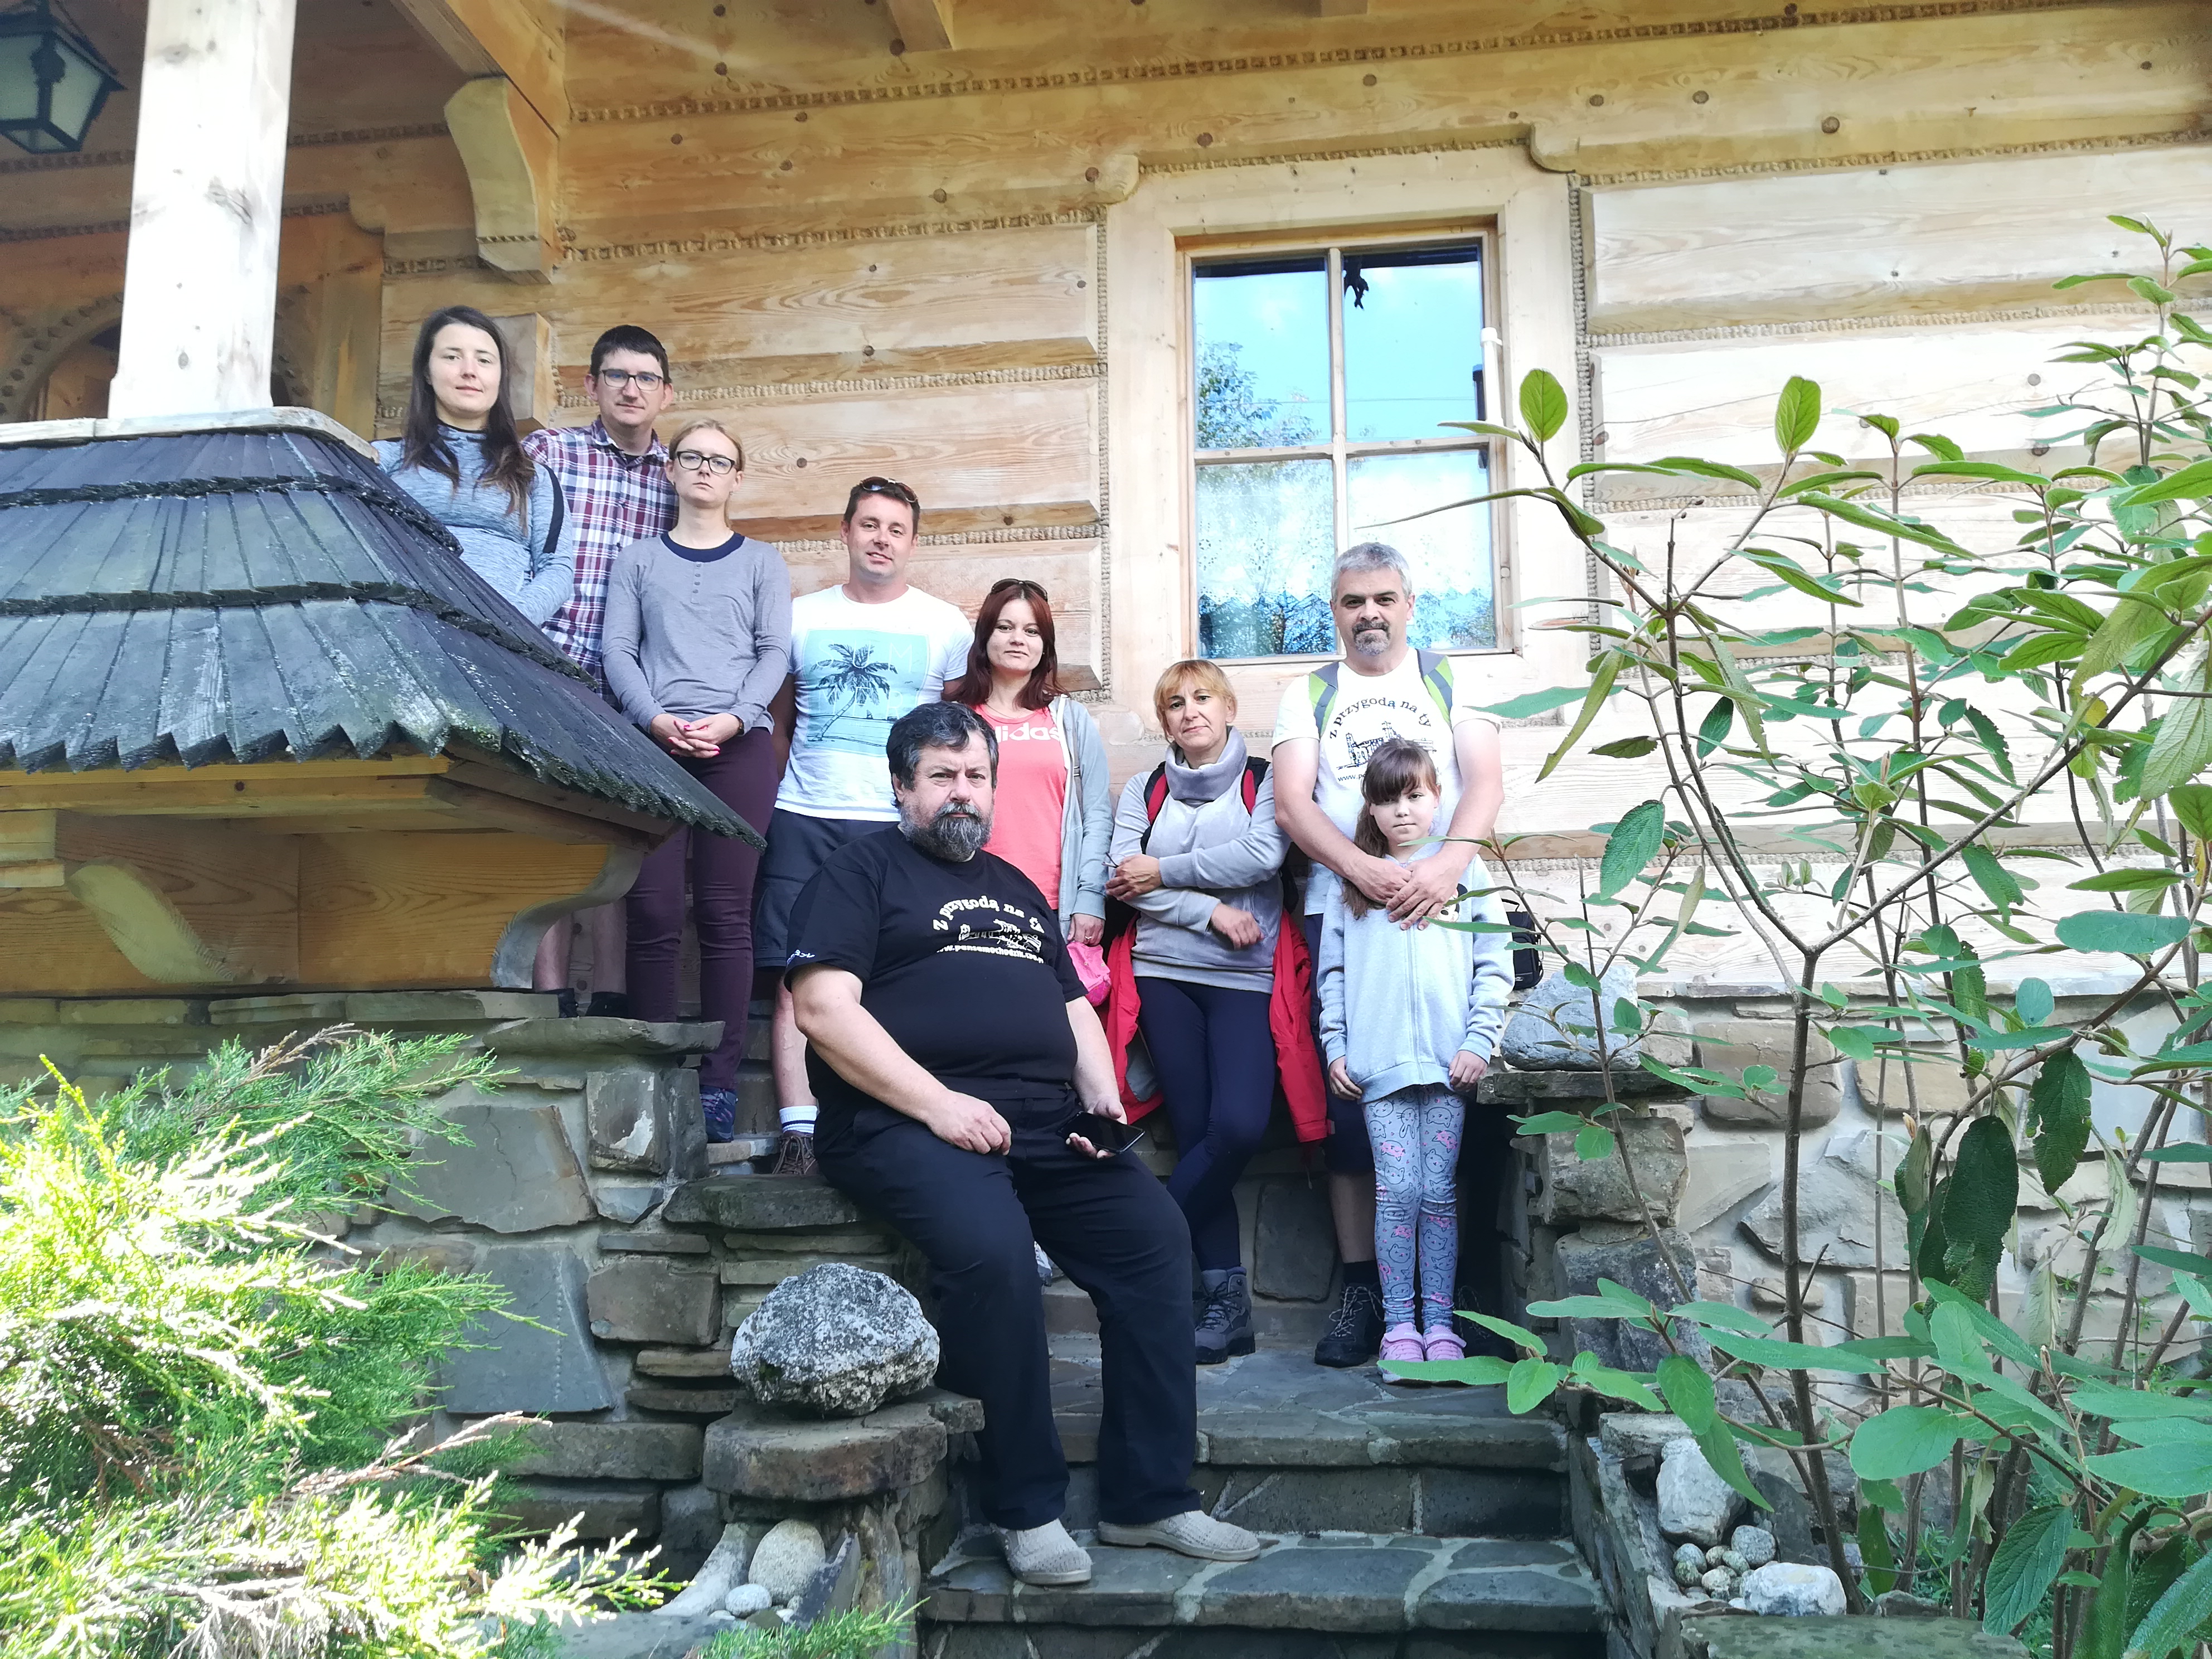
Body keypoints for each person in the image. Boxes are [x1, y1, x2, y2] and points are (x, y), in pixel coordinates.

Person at [787, 702, 1262, 1587]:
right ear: (901, 787)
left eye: (977, 777)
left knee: (1155, 1239)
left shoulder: (1012, 885)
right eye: (942, 777)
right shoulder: (857, 873)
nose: (962, 793)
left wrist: (1103, 1104)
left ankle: (1148, 1499)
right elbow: (821, 1009)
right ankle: (1026, 1508)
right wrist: (938, 1105)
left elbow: (1072, 1004)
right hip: (901, 1117)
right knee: (995, 1253)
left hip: (1044, 1121)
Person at [1270, 541, 1505, 1369]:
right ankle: (1366, 1288)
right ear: (1334, 611)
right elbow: (1292, 802)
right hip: (1347, 907)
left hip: (1445, 907)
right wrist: (1359, 869)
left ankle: (1451, 1297)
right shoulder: (1311, 692)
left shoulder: (1448, 679)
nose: (1368, 613)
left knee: (1453, 1109)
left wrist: (1446, 869)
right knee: (1350, 1116)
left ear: (1409, 604)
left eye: (1383, 599)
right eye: (1351, 601)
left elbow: (1484, 782)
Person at [753, 478, 974, 1175]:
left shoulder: (945, 626)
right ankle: (798, 1133)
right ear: (845, 532)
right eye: (869, 525)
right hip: (805, 816)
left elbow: (952, 736)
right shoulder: (799, 617)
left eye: (895, 529)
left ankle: (894, 1121)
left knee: (898, 974)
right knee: (794, 977)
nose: (881, 539)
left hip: (896, 827)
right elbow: (779, 723)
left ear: (912, 542)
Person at [1102, 660, 1316, 1364]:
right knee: (1196, 1131)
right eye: (1174, 703)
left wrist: (1163, 872)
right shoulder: (1145, 789)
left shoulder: (1262, 780)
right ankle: (1227, 1306)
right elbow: (1122, 878)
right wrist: (1210, 912)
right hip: (1163, 975)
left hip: (1244, 979)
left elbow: (1260, 856)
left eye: (1202, 698)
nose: (1189, 711)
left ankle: (1143, 1238)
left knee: (1238, 1126)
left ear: (1227, 708)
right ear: (1164, 721)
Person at [601, 419, 790, 1142]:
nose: (705, 469)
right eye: (692, 457)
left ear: (737, 478)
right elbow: (618, 650)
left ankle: (716, 1085)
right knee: (650, 912)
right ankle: (654, 1074)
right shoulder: (638, 560)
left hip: (736, 749)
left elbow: (774, 653)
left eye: (720, 460)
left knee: (724, 915)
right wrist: (652, 718)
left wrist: (735, 719)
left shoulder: (762, 562)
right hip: (653, 747)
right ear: (670, 470)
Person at [1317, 739, 1512, 1371]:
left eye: (1414, 795)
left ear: (1437, 798)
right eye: (1387, 800)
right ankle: (1399, 1325)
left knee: (1438, 1194)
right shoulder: (1352, 885)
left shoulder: (1465, 873)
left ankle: (1440, 1323)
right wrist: (1337, 1046)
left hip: (1449, 1066)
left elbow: (1493, 963)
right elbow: (1333, 974)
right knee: (1396, 1190)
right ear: (1370, 809)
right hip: (1378, 1070)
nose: (1402, 810)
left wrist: (1478, 1041)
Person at [523, 324, 681, 1015]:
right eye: (617, 375)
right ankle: (551, 997)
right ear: (591, 385)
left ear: (666, 394)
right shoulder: (549, 453)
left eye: (646, 378)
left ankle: (611, 997)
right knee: (552, 831)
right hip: (548, 664)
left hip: (634, 683)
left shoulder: (680, 473)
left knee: (618, 837)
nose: (630, 389)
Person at [375, 305, 576, 630]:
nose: (469, 371)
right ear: (426, 372)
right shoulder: (381, 459)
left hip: (499, 644)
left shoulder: (534, 477)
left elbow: (557, 570)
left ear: (500, 377)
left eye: (484, 360)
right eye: (452, 357)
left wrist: (505, 628)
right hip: (399, 632)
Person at [942, 579, 1111, 950]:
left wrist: (1090, 897)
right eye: (1005, 627)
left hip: (1052, 903)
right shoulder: (953, 719)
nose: (1018, 639)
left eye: (1032, 631)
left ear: (1044, 645)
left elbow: (1097, 814)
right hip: (966, 900)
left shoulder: (1070, 719)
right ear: (986, 637)